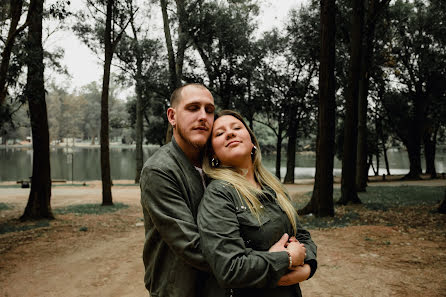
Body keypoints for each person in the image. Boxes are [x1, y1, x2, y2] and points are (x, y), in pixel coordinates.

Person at [197, 110, 317, 297]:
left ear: (252, 142)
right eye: (219, 133)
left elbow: (301, 235)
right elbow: (229, 268)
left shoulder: (274, 185)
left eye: (237, 127)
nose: (230, 133)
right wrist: (287, 258)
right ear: (213, 153)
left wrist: (308, 266)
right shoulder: (219, 194)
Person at [140, 83, 215, 297]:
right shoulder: (159, 170)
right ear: (172, 116)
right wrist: (262, 262)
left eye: (209, 110)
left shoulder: (220, 166)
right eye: (193, 108)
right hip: (177, 290)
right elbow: (191, 245)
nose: (203, 116)